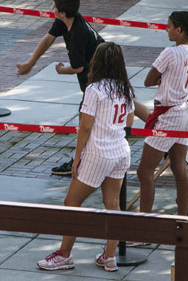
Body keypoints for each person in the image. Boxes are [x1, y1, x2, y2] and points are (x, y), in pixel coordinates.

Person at [37, 42, 140, 273]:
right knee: (113, 205)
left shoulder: (94, 90)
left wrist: (76, 159)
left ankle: (64, 255)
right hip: (120, 152)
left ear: (98, 62)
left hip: (98, 152)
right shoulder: (125, 88)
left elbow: (85, 127)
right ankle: (110, 256)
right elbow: (130, 121)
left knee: (71, 203)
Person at [16, 0, 103, 175]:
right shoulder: (68, 20)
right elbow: (48, 39)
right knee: (129, 101)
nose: (52, 8)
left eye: (54, 6)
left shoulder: (77, 34)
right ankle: (157, 132)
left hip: (98, 76)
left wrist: (61, 70)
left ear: (62, 12)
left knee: (84, 118)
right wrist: (31, 63)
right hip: (106, 67)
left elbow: (78, 68)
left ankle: (78, 162)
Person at [136, 9, 188, 218]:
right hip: (184, 112)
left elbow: (148, 80)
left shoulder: (170, 53)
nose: (167, 31)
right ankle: (182, 218)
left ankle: (143, 228)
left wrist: (161, 80)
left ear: (179, 30)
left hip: (167, 116)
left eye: (169, 27)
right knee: (179, 167)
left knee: (144, 170)